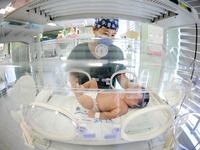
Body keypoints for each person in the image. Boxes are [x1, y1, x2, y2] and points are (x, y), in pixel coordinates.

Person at [68, 18, 135, 89]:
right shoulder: (79, 50)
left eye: (113, 35)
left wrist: (132, 88)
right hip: (85, 93)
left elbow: (121, 76)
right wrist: (76, 88)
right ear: (94, 29)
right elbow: (72, 73)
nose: (109, 38)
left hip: (108, 95)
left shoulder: (116, 52)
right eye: (105, 33)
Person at [72, 79, 149, 120]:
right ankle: (80, 88)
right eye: (133, 90)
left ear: (133, 106)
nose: (131, 93)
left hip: (94, 104)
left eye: (134, 96)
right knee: (93, 82)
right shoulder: (122, 92)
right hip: (96, 93)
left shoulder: (123, 108)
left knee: (88, 102)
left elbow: (111, 115)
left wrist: (96, 115)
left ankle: (78, 95)